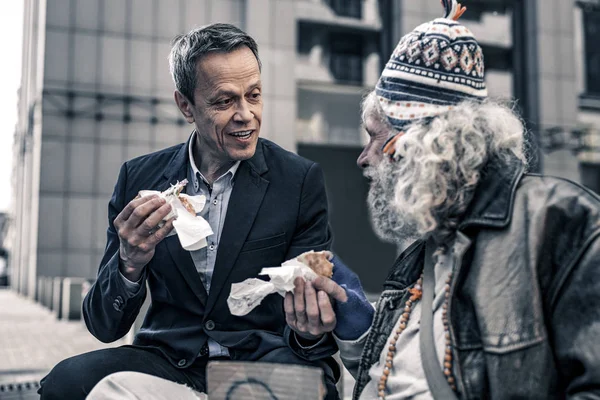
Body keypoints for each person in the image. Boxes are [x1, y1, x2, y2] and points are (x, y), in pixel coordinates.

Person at [38, 23, 370, 400]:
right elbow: (104, 325)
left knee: (309, 392)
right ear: (186, 106)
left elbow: (310, 331)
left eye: (254, 95)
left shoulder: (298, 180)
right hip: (168, 356)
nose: (247, 115)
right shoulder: (139, 178)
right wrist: (129, 263)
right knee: (66, 383)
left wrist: (307, 332)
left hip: (265, 359)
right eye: (225, 101)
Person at [290, 0, 600, 399]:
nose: (363, 158)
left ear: (419, 143)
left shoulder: (560, 221)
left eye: (374, 135)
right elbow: (406, 378)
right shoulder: (423, 252)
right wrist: (354, 329)